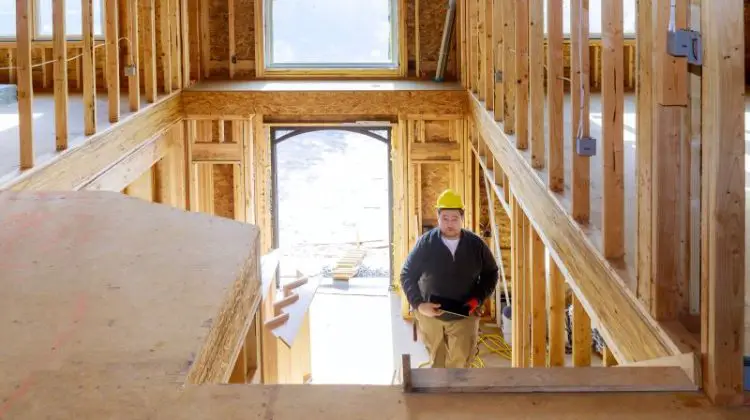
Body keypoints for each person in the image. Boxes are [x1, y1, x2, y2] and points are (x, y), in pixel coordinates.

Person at [400, 189, 499, 368]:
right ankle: (439, 395)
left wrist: (477, 299)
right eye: (445, 218)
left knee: (460, 364)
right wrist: (419, 305)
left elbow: (491, 273)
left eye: (454, 218)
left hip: (465, 314)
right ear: (438, 218)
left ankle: (456, 396)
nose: (449, 224)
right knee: (437, 362)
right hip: (431, 315)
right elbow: (407, 274)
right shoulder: (426, 243)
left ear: (462, 218)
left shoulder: (476, 245)